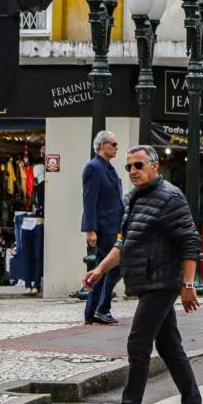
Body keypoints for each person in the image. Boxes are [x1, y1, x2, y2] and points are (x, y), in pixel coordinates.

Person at [83, 146, 203, 404]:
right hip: (149, 282)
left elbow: (190, 242)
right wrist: (100, 270)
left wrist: (188, 284)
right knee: (170, 348)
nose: (133, 171)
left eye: (138, 165)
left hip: (161, 283)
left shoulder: (170, 197)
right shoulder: (136, 199)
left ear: (154, 166)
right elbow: (124, 243)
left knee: (138, 345)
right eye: (128, 167)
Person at [81, 130, 125, 326]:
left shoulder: (108, 167)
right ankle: (101, 308)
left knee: (101, 267)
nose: (116, 147)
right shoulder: (93, 168)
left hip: (113, 225)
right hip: (103, 226)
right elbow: (89, 200)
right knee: (115, 265)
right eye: (113, 144)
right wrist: (90, 229)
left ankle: (92, 311)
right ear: (102, 146)